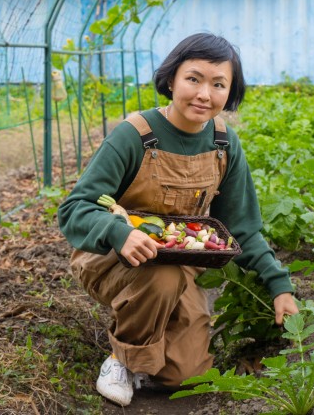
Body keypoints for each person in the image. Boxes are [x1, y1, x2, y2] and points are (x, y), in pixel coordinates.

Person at [58, 32, 298, 407]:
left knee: (186, 378)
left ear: (230, 92)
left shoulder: (223, 143)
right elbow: (74, 209)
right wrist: (118, 232)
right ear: (171, 79)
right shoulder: (134, 135)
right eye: (194, 79)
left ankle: (149, 349)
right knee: (161, 274)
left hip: (180, 269)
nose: (204, 93)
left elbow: (243, 229)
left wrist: (279, 285)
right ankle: (122, 360)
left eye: (218, 84)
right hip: (110, 260)